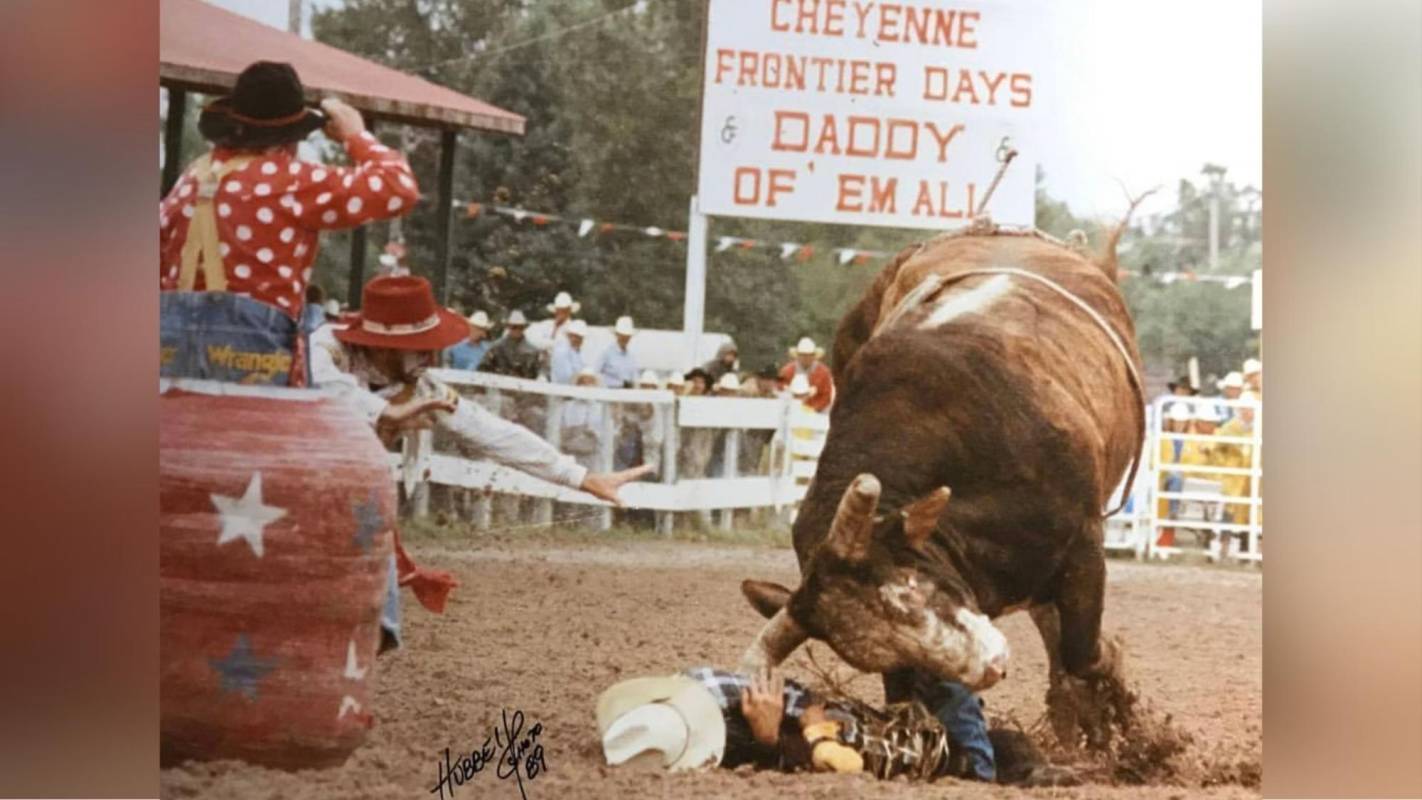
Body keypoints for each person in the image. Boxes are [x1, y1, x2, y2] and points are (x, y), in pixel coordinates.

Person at [311, 275, 652, 646]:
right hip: (299, 487)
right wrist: (387, 413)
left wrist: (581, 476)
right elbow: (318, 382)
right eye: (418, 348)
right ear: (388, 348)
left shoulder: (423, 387)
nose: (429, 357)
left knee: (375, 625)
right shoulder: (326, 348)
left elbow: (490, 430)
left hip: (352, 501)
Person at [160, 61, 419, 386]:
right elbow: (399, 188)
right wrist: (356, 135)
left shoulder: (192, 178)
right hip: (253, 349)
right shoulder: (292, 181)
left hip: (171, 345)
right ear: (290, 137)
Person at [597, 667, 1071, 786]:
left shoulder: (718, 697)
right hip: (955, 762)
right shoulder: (753, 738)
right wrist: (772, 740)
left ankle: (1029, 769)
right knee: (942, 663)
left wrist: (799, 724)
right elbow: (832, 766)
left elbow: (807, 704)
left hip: (927, 739)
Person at [479, 309, 541, 379]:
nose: (517, 330)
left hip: (523, 387)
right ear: (509, 327)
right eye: (514, 327)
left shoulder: (533, 351)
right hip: (499, 385)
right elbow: (483, 367)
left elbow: (536, 374)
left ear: (524, 328)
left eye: (520, 327)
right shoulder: (496, 347)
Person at [779, 337, 835, 413]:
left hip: (818, 411)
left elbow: (826, 396)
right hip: (791, 409)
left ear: (814, 356)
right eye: (803, 355)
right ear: (798, 355)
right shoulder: (787, 371)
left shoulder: (824, 372)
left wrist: (813, 409)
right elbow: (781, 390)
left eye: (809, 355)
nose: (806, 358)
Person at [597, 316, 640, 388]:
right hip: (608, 392)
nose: (625, 338)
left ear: (630, 337)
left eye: (627, 336)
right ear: (617, 335)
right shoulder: (606, 353)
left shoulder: (632, 357)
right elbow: (595, 373)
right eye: (622, 335)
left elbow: (635, 378)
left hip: (628, 393)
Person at [550, 320, 589, 384]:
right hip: (562, 389)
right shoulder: (561, 350)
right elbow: (564, 377)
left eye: (581, 337)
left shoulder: (576, 351)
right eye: (576, 336)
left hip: (573, 388)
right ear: (569, 335)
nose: (579, 340)